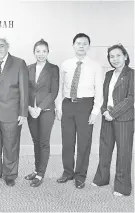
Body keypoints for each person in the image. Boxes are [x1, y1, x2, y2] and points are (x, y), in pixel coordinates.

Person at [55, 33, 104, 189]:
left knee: (84, 142)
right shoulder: (66, 64)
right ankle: (67, 172)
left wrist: (95, 111)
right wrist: (59, 108)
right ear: (73, 45)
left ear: (88, 46)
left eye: (84, 43)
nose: (81, 46)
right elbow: (59, 88)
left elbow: (99, 91)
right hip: (68, 104)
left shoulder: (96, 66)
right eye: (78, 43)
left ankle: (80, 175)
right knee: (67, 141)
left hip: (86, 105)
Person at [0, 38, 28, 187]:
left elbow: (24, 90)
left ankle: (10, 174)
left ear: (8, 46)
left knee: (11, 145)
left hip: (12, 112)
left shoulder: (19, 63)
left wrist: (23, 112)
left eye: (2, 46)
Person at [92, 44, 134, 196]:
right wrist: (104, 110)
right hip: (107, 117)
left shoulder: (132, 74)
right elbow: (104, 95)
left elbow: (130, 99)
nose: (115, 59)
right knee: (104, 149)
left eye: (118, 55)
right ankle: (102, 178)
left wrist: (113, 113)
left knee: (123, 153)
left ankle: (122, 187)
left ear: (125, 56)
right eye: (111, 56)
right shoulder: (109, 74)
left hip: (124, 119)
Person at [24, 39, 59, 187]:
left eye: (44, 51)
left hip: (46, 111)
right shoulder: (28, 68)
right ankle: (36, 169)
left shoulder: (53, 68)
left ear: (48, 52)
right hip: (31, 111)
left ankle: (40, 174)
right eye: (38, 51)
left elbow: (54, 92)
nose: (41, 54)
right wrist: (29, 108)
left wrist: (39, 108)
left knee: (44, 142)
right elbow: (24, 90)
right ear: (34, 52)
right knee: (36, 141)